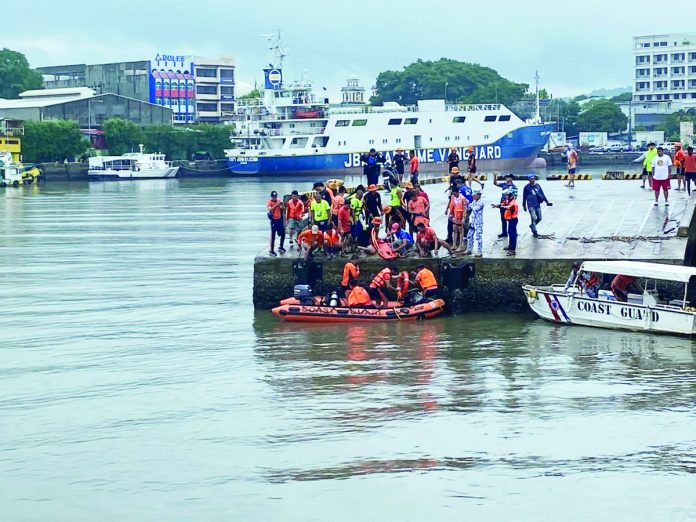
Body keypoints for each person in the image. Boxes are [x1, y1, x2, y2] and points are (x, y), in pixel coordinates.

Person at [493, 189, 518, 256]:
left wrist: (501, 206)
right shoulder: (508, 200)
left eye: (507, 195)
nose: (506, 196)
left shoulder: (513, 203)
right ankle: (510, 246)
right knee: (510, 233)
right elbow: (503, 204)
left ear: (510, 195)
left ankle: (512, 250)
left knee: (513, 234)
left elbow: (507, 206)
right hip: (510, 220)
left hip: (513, 220)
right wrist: (496, 205)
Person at [493, 173, 518, 239]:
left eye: (508, 177)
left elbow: (515, 197)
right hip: (502, 203)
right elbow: (495, 183)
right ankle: (504, 232)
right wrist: (495, 176)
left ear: (511, 178)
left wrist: (509, 203)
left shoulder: (514, 187)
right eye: (506, 177)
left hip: (509, 205)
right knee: (503, 219)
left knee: (511, 219)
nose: (507, 178)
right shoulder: (503, 184)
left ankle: (514, 231)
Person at [464, 189, 484, 257]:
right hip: (473, 221)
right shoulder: (474, 202)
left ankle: (479, 251)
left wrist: (469, 205)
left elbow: (475, 208)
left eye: (474, 195)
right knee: (469, 235)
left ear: (478, 195)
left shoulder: (481, 202)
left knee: (478, 237)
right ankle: (469, 249)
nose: (473, 197)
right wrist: (466, 204)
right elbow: (469, 208)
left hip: (478, 222)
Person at [446, 187, 466, 251]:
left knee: (460, 230)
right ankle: (454, 245)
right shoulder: (452, 197)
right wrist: (449, 213)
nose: (453, 194)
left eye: (454, 193)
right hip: (454, 216)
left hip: (460, 216)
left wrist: (464, 217)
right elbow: (451, 205)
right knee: (454, 229)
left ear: (456, 192)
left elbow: (465, 208)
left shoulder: (462, 198)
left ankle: (460, 245)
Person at [267, 190, 286, 257]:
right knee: (273, 236)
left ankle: (281, 246)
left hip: (279, 220)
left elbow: (283, 209)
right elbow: (270, 209)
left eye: (275, 197)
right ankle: (271, 250)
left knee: (283, 233)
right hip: (273, 221)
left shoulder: (279, 200)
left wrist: (282, 206)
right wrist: (276, 205)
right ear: (271, 196)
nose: (274, 198)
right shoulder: (269, 202)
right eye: (273, 197)